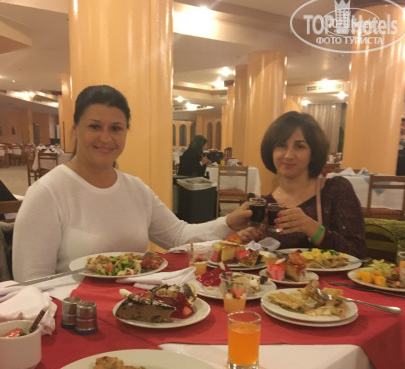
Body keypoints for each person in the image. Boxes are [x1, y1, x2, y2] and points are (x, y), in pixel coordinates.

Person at [12, 85, 254, 281]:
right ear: (75, 130)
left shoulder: (135, 189)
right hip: (73, 318)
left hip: (132, 310)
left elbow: (179, 236)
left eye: (116, 128)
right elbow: (30, 284)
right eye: (94, 126)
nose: (105, 138)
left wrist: (228, 222)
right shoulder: (47, 193)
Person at [260, 111, 367, 257]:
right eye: (281, 145)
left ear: (313, 154)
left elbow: (358, 252)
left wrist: (312, 228)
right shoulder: (266, 204)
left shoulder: (336, 190)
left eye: (299, 147)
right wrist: (253, 239)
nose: (288, 155)